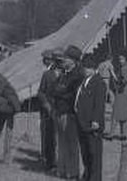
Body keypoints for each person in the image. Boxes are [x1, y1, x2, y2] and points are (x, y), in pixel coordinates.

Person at [52, 45, 84, 179]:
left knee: (72, 144)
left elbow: (72, 95)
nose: (63, 60)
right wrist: (60, 91)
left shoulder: (77, 75)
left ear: (73, 60)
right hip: (60, 111)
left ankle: (73, 172)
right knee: (61, 143)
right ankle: (62, 170)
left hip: (70, 113)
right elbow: (54, 89)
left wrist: (60, 91)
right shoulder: (63, 74)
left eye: (66, 58)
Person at [75, 56, 106, 181]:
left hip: (92, 124)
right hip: (82, 122)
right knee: (85, 152)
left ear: (94, 69)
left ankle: (95, 178)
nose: (85, 70)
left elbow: (99, 104)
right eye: (84, 68)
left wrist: (96, 120)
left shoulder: (99, 82)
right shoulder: (84, 81)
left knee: (94, 153)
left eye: (88, 68)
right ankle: (87, 175)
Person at [37, 49, 59, 172]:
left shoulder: (67, 74)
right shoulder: (47, 74)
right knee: (48, 135)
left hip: (61, 110)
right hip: (48, 111)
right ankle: (49, 160)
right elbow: (41, 92)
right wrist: (46, 104)